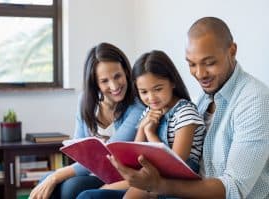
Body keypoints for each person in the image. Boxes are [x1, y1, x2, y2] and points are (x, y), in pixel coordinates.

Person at [77, 17, 269, 199]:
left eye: (209, 63)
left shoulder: (256, 102)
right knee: (88, 196)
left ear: (232, 51)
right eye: (192, 64)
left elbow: (234, 189)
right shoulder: (204, 98)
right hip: (179, 189)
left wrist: (158, 185)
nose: (200, 74)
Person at [77, 50, 206, 199]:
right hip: (150, 176)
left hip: (176, 184)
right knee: (89, 195)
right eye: (144, 92)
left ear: (173, 82)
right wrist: (143, 128)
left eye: (158, 89)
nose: (151, 97)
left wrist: (150, 133)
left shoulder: (185, 113)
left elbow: (175, 165)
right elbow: (135, 157)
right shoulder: (149, 112)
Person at [29, 42, 145, 199]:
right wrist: (53, 177)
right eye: (104, 81)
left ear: (125, 71)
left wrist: (57, 175)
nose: (114, 85)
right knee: (44, 182)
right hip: (89, 172)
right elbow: (79, 150)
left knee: (67, 187)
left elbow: (107, 157)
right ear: (95, 83)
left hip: (118, 176)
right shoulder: (86, 101)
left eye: (117, 76)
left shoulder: (137, 107)